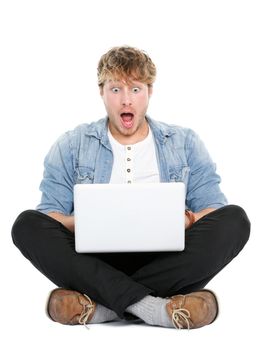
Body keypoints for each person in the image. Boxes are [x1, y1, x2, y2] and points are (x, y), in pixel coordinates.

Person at [11, 46, 250, 330]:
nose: (126, 100)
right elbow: (49, 215)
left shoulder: (184, 143)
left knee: (235, 221)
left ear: (149, 91)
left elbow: (214, 210)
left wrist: (186, 220)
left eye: (135, 89)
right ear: (101, 92)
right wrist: (83, 223)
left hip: (167, 261)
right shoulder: (72, 145)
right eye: (115, 90)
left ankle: (103, 307)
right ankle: (156, 308)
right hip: (93, 261)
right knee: (26, 225)